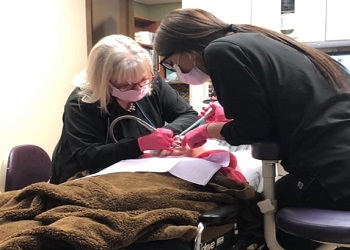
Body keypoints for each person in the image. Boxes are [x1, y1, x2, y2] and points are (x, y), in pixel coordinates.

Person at [153, 8, 350, 249]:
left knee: (262, 217)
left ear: (186, 48)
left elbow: (254, 130)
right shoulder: (263, 41)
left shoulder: (220, 50)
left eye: (171, 63)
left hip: (335, 176)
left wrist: (206, 131)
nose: (176, 71)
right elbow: (284, 106)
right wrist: (227, 117)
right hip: (337, 164)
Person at [50, 34, 198, 184]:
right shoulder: (81, 103)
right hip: (85, 178)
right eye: (126, 85)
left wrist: (170, 132)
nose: (139, 88)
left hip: (139, 174)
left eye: (143, 80)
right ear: (103, 81)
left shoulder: (153, 84)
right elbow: (86, 156)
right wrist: (141, 144)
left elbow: (189, 115)